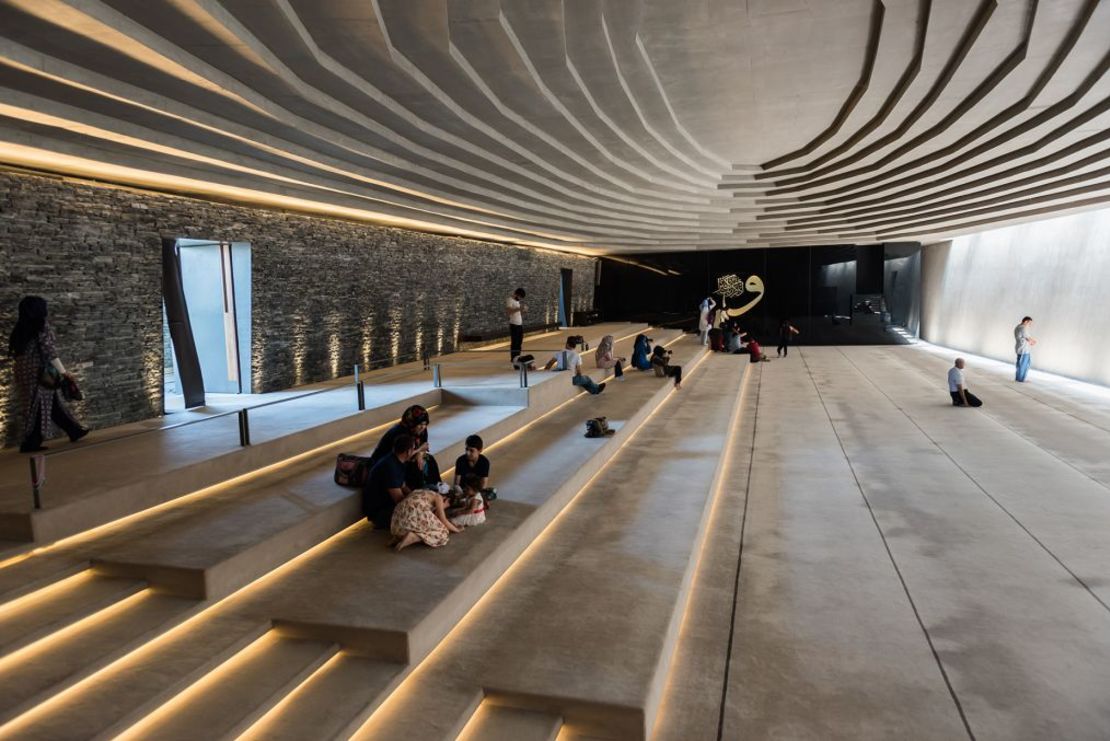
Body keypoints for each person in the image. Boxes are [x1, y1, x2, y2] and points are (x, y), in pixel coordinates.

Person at [8, 296, 87, 452]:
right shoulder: (41, 326)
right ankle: (31, 442)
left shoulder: (20, 328)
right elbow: (49, 351)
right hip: (39, 372)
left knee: (48, 403)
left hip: (23, 371)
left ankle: (74, 430)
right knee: (38, 405)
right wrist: (64, 373)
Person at [363, 434, 415, 530]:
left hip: (389, 506)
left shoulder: (397, 460)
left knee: (426, 498)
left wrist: (418, 495)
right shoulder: (390, 467)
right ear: (408, 452)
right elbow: (399, 500)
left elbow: (403, 486)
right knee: (418, 512)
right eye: (413, 449)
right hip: (380, 515)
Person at [390, 486, 460, 551]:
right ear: (447, 499)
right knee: (443, 532)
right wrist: (457, 530)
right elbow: (443, 520)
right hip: (414, 511)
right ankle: (414, 537)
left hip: (397, 517)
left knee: (426, 525)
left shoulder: (421, 492)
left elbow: (433, 518)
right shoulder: (438, 497)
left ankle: (399, 536)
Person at [506, 287, 526, 366]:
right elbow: (508, 311)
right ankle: (513, 358)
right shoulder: (509, 300)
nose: (520, 298)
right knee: (515, 342)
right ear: (516, 294)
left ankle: (518, 356)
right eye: (520, 296)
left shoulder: (517, 301)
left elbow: (517, 313)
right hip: (514, 324)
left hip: (519, 324)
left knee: (519, 342)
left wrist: (523, 310)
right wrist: (519, 308)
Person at [1014, 316, 1037, 382]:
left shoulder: (1018, 327)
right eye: (1029, 323)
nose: (1029, 325)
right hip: (1024, 349)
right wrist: (1033, 341)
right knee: (1024, 364)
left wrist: (1030, 341)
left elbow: (1023, 337)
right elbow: (1027, 336)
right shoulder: (1023, 327)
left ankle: (1018, 378)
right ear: (1025, 321)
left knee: (1019, 364)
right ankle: (1021, 379)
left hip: (1019, 348)